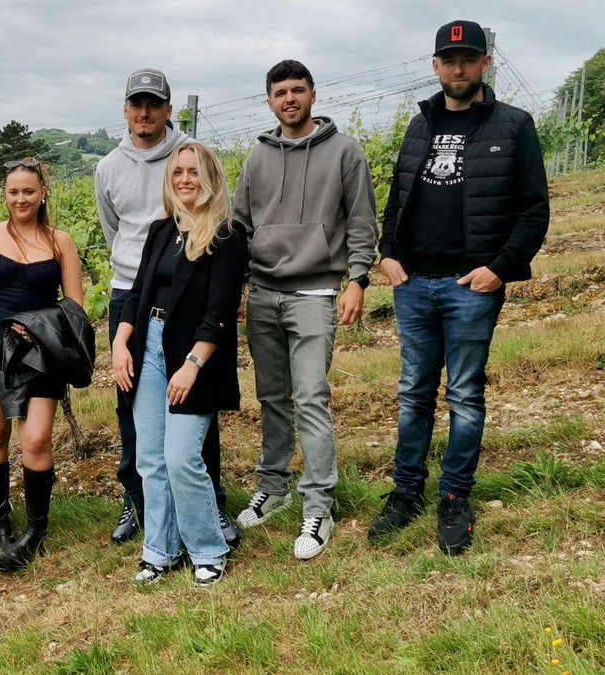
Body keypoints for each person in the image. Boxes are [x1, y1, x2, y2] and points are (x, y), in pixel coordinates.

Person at [370, 20, 549, 555]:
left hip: (470, 286)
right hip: (414, 283)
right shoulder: (419, 124)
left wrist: (501, 267)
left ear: (484, 64)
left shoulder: (513, 125)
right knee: (413, 396)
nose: (458, 69)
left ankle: (454, 497)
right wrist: (387, 252)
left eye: (468, 59)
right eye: (449, 60)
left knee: (466, 396)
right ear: (435, 67)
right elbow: (398, 197)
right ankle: (406, 493)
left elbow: (534, 210)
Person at [231, 60, 379, 561]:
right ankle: (273, 487)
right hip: (264, 293)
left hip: (316, 294)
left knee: (311, 396)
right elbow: (241, 227)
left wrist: (357, 279)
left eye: (297, 90)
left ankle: (318, 506)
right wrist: (238, 288)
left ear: (313, 94)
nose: (289, 99)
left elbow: (361, 222)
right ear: (269, 101)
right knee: (271, 396)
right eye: (280, 92)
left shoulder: (345, 152)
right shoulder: (256, 158)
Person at [95, 68, 238, 549]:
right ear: (125, 109)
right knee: (133, 407)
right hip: (134, 292)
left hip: (189, 292)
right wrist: (121, 334)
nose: (144, 112)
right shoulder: (108, 168)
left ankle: (209, 505)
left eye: (154, 104)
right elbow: (116, 233)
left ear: (168, 110)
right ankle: (141, 506)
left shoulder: (188, 158)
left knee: (195, 411)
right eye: (137, 103)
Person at [111, 143, 247, 587]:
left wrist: (191, 365)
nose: (185, 179)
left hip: (196, 355)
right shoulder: (159, 231)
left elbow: (221, 311)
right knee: (150, 458)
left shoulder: (227, 234)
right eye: (178, 172)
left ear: (209, 178)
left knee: (182, 457)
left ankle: (208, 548)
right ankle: (160, 551)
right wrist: (121, 341)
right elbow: (138, 294)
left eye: (194, 172)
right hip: (149, 346)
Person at [0, 158, 85, 572]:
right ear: (4, 195)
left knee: (35, 440)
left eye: (28, 191)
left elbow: (74, 307)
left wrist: (42, 326)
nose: (20, 199)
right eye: (13, 192)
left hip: (38, 353)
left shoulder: (59, 241)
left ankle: (35, 531)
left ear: (42, 193)